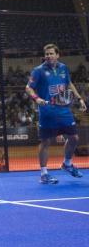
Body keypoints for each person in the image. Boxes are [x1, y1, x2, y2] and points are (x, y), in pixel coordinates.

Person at [25, 43, 86, 184]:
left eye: (52, 53)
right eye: (47, 54)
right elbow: (28, 88)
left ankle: (67, 164)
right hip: (47, 112)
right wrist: (37, 98)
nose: (49, 56)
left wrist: (79, 98)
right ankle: (44, 174)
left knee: (74, 138)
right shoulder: (38, 71)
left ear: (57, 55)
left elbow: (69, 84)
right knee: (46, 141)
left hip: (64, 111)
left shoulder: (63, 68)